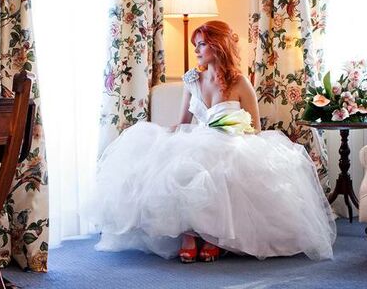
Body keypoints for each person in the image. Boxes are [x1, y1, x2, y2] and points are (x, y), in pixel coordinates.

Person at [90, 20, 336, 263]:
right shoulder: (191, 80)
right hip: (198, 138)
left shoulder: (240, 82)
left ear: (218, 46)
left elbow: (255, 129)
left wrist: (235, 134)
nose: (196, 50)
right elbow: (183, 122)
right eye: (195, 45)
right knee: (182, 165)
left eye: (201, 44)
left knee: (222, 165)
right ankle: (189, 235)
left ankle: (214, 238)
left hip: (233, 142)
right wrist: (158, 135)